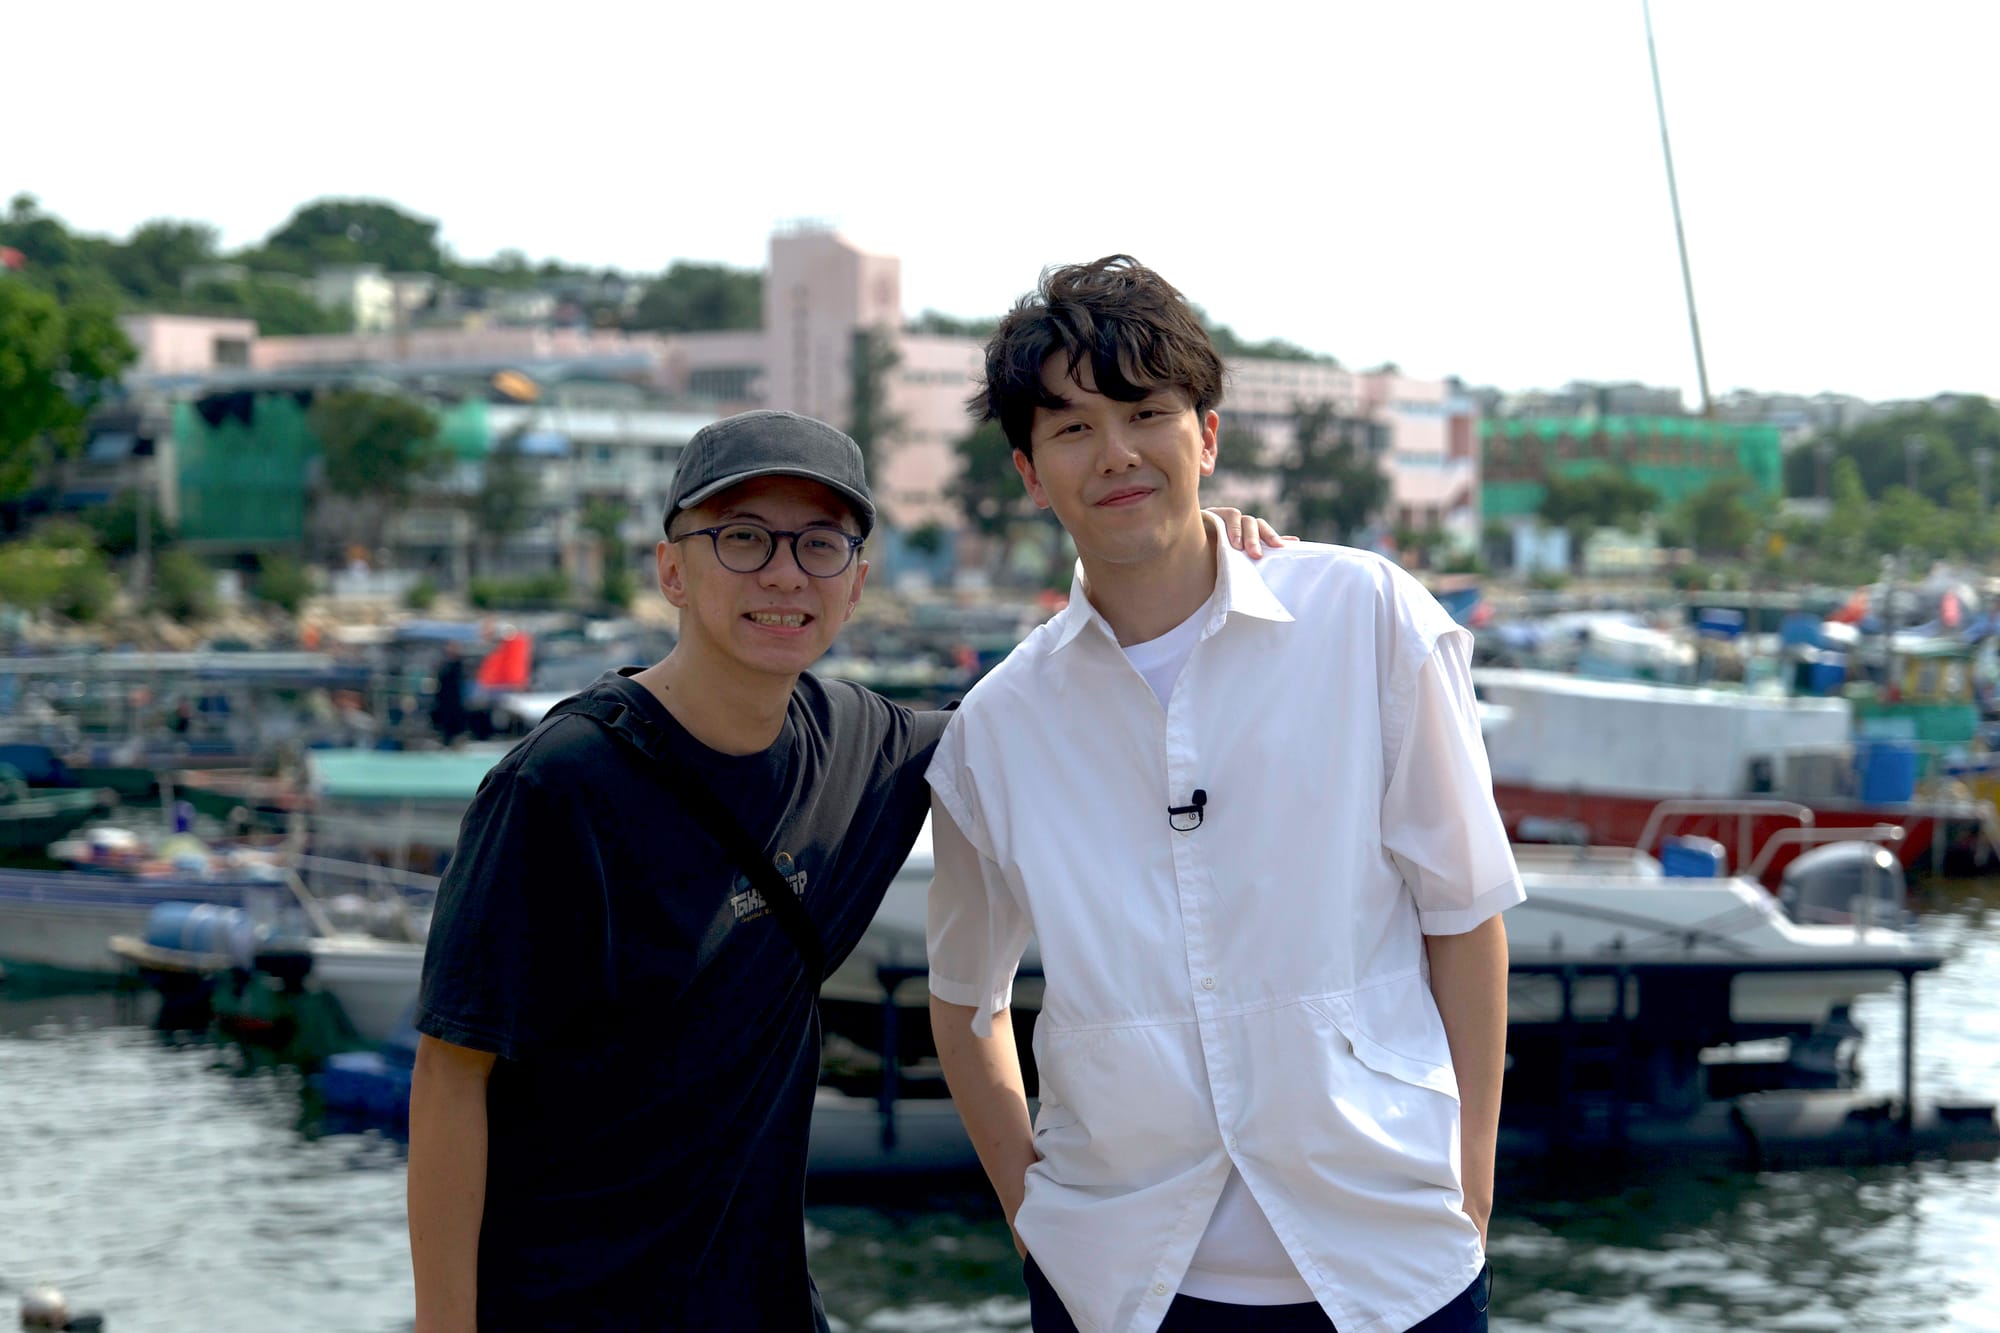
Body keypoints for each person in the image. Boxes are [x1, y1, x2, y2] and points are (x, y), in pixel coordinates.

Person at [406, 407, 1282, 1332]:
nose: (785, 572)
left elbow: (1050, 707)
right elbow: (451, 1075)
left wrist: (1192, 556)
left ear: (857, 583)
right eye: (743, 537)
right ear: (672, 570)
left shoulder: (862, 748)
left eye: (820, 543)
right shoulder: (559, 787)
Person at [925, 257, 1522, 1333]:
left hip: (1388, 1262)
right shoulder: (997, 726)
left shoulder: (1367, 617)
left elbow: (1464, 912)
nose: (1116, 452)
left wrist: (1469, 1186)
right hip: (1119, 1283)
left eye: (1145, 413)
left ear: (1204, 435)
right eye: (1072, 428)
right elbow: (966, 999)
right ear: (1028, 472)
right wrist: (1029, 1209)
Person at [429, 642, 468, 747]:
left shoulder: (458, 665)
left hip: (454, 699)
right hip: (444, 698)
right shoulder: (445, 664)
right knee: (445, 721)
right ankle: (447, 740)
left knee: (454, 721)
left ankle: (453, 740)